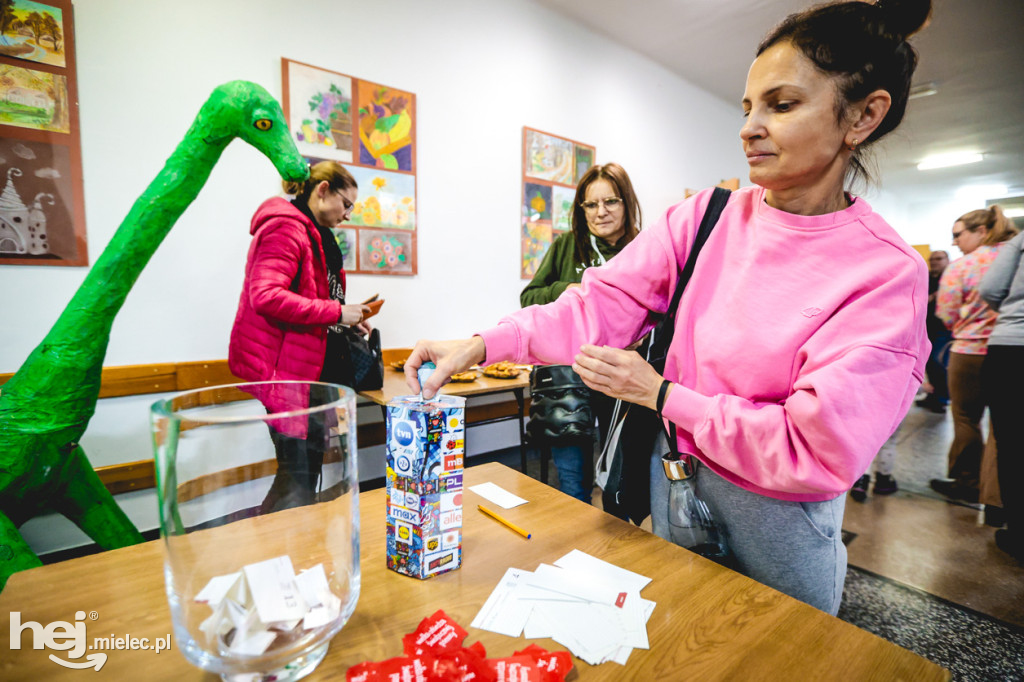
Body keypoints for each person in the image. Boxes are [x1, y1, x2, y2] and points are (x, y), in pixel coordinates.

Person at [405, 0, 932, 614]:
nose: (749, 127)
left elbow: (812, 452)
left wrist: (662, 396)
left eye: (781, 105)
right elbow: (597, 305)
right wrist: (480, 345)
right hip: (675, 482)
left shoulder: (886, 274)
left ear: (863, 116)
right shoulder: (706, 219)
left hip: (778, 523)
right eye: (747, 107)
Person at [229, 160, 372, 511]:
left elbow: (311, 299)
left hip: (308, 373)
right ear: (323, 191)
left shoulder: (314, 232)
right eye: (347, 203)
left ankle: (283, 552)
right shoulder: (285, 228)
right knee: (298, 481)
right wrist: (338, 312)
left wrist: (345, 320)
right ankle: (280, 555)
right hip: (288, 375)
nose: (349, 214)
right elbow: (265, 296)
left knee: (300, 477)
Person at [520, 162, 642, 503]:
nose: (600, 212)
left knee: (620, 484)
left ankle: (616, 549)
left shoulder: (642, 249)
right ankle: (576, 552)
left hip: (622, 380)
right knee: (573, 485)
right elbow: (529, 297)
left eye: (611, 202)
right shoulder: (566, 246)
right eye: (591, 204)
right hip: (569, 381)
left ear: (627, 203)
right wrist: (574, 288)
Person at [930, 207, 1018, 516]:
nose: (954, 243)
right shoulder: (1015, 259)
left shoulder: (964, 266)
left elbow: (947, 313)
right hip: (1012, 350)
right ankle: (997, 498)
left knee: (966, 417)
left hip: (970, 351)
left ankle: (966, 481)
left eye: (958, 235)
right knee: (1004, 425)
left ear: (980, 231)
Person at [979, 223, 1024, 560]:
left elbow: (992, 289)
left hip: (1013, 345)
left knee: (1011, 443)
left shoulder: (1019, 242)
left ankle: (1019, 533)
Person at [918, 250, 951, 412]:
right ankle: (933, 396)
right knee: (930, 364)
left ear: (947, 259)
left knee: (939, 362)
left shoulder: (951, 277)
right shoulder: (927, 277)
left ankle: (942, 398)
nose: (935, 262)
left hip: (944, 329)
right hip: (926, 328)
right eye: (932, 259)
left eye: (939, 259)